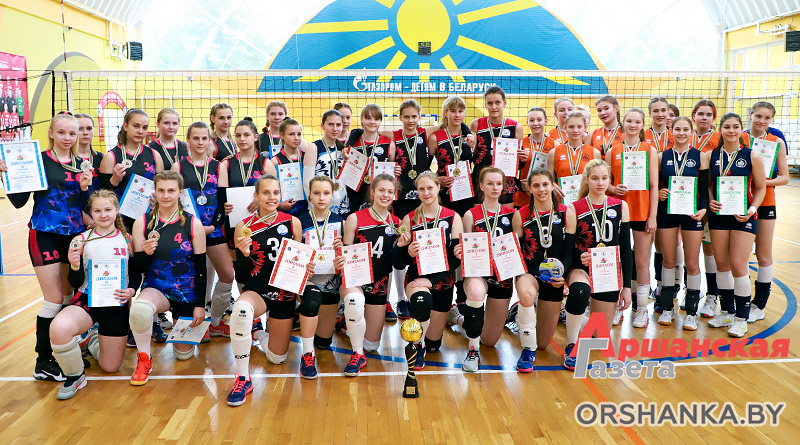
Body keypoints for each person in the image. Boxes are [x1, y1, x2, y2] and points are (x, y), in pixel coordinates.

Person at [2, 112, 92, 381]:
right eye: (61, 132)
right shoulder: (37, 160)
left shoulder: (83, 164)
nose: (67, 138)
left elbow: (87, 207)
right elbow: (19, 201)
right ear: (51, 133)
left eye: (72, 133)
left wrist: (86, 188)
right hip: (44, 234)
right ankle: (43, 360)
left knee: (68, 296)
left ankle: (63, 353)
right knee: (53, 299)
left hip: (74, 237)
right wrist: (6, 176)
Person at [226, 175, 320, 405]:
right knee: (241, 311)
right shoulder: (244, 226)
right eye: (266, 193)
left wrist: (307, 268)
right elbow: (241, 276)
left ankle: (260, 334)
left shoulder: (293, 222)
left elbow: (299, 259)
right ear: (256, 196)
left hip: (284, 293)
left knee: (277, 358)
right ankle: (243, 378)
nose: (271, 197)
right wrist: (244, 255)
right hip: (257, 290)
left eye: (276, 193)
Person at [51, 190, 137, 399]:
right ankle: (75, 376)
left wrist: (132, 289)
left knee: (110, 367)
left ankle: (91, 341)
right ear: (91, 212)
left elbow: (136, 273)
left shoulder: (128, 240)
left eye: (108, 209)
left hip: (116, 304)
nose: (103, 215)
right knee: (59, 328)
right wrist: (74, 266)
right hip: (87, 300)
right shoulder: (80, 241)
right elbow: (75, 282)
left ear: (116, 210)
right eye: (97, 211)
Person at [128, 171, 207, 385]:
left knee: (183, 355)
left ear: (180, 193)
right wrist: (145, 254)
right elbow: (138, 268)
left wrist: (200, 305)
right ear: (154, 192)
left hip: (187, 292)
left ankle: (187, 326)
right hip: (157, 288)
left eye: (171, 190)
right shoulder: (143, 222)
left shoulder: (193, 223)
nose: (165, 195)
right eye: (161, 190)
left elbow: (201, 268)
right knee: (139, 309)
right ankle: (144, 359)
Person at [565, 159, 632, 370]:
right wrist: (581, 256)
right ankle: (571, 344)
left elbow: (626, 249)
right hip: (582, 268)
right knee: (580, 291)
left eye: (604, 178)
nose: (600, 183)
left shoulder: (621, 206)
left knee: (600, 335)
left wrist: (627, 287)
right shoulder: (574, 208)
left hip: (607, 272)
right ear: (586, 180)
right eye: (595, 178)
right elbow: (568, 249)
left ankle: (573, 315)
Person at [334, 174, 403, 376]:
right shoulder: (355, 218)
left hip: (379, 285)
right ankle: (357, 354)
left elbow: (398, 263)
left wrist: (403, 248)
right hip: (355, 280)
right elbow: (345, 252)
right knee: (354, 301)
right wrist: (339, 256)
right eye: (381, 190)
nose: (385, 195)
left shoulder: (397, 223)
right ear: (372, 192)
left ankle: (348, 322)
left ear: (395, 195)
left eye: (390, 191)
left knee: (371, 345)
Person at [454, 168, 520, 372]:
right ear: (481, 186)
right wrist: (460, 251)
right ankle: (472, 350)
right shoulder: (470, 215)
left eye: (498, 184)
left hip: (502, 277)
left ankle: (459, 318)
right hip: (478, 273)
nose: (494, 188)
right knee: (475, 292)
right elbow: (464, 247)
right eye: (490, 183)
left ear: (504, 187)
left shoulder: (513, 214)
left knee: (490, 340)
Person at [707, 113, 766, 337]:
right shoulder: (712, 155)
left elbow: (761, 187)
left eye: (735, 127)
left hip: (744, 215)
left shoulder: (752, 155)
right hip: (719, 215)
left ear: (741, 130)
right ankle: (726, 312)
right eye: (727, 127)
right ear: (720, 130)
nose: (731, 130)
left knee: (739, 265)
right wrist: (711, 199)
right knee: (722, 264)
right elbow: (709, 185)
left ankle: (741, 318)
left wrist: (752, 209)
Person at [172, 122, 233, 338]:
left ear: (209, 140)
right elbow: (174, 202)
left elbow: (222, 201)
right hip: (187, 230)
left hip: (213, 229)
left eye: (204, 138)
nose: (200, 142)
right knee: (189, 278)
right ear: (188, 140)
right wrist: (193, 228)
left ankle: (215, 321)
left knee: (227, 274)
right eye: (195, 138)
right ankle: (193, 325)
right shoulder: (178, 167)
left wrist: (212, 226)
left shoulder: (218, 166)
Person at [396, 172, 463, 369]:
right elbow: (398, 262)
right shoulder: (408, 219)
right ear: (417, 191)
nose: (426, 193)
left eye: (430, 188)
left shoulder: (453, 217)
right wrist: (406, 252)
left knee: (434, 345)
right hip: (417, 279)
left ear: (438, 188)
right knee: (422, 301)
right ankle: (417, 346)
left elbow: (455, 259)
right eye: (421, 189)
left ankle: (431, 337)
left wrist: (432, 281)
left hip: (444, 281)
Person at [515, 168, 575, 371]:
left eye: (545, 184)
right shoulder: (521, 215)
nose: (541, 189)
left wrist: (561, 275)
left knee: (543, 343)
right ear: (529, 189)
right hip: (529, 272)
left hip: (554, 277)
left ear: (553, 186)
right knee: (526, 294)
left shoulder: (567, 213)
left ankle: (523, 322)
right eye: (536, 185)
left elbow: (568, 252)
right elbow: (517, 253)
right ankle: (527, 349)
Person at [606, 108, 658, 327]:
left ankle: (641, 309)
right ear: (623, 123)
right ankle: (618, 306)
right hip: (619, 213)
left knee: (641, 261)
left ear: (642, 125)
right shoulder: (613, 151)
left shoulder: (649, 150)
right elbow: (605, 183)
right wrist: (612, 188)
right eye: (629, 121)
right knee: (619, 261)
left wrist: (652, 216)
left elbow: (654, 186)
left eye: (637, 122)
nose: (633, 125)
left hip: (642, 212)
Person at [656, 117, 709, 330]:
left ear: (692, 132)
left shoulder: (700, 156)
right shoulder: (662, 156)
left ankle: (692, 313)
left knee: (692, 263)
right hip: (667, 212)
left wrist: (703, 209)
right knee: (668, 261)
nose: (681, 133)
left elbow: (704, 189)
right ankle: (667, 308)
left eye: (685, 129)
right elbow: (655, 185)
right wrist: (659, 193)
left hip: (691, 214)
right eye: (677, 129)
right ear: (671, 131)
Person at [384, 99, 433, 321]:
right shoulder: (394, 136)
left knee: (422, 246)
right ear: (400, 117)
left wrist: (465, 130)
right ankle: (401, 298)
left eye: (414, 116)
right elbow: (370, 129)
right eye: (406, 116)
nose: (411, 120)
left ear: (419, 117)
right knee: (400, 244)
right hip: (400, 202)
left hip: (421, 200)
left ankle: (421, 292)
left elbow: (445, 124)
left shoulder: (426, 134)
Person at [744, 102, 789, 323]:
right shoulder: (739, 138)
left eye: (767, 118)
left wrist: (764, 182)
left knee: (763, 254)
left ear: (771, 120)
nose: (762, 121)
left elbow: (785, 177)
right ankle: (740, 301)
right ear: (751, 115)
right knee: (740, 256)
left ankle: (759, 304)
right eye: (758, 116)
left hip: (765, 202)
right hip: (740, 201)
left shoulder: (776, 142)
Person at [99, 108, 164, 232]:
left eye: (144, 128)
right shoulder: (111, 157)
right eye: (136, 126)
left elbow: (162, 188)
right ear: (125, 126)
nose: (140, 131)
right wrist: (114, 180)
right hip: (120, 221)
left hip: (149, 218)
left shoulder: (154, 155)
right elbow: (100, 196)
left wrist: (158, 199)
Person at [300, 177, 345, 351]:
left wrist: (342, 251)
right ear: (309, 195)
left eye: (326, 193)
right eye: (316, 193)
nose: (321, 197)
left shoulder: (341, 222)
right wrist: (303, 266)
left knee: (323, 343)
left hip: (330, 285)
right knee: (311, 302)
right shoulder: (299, 222)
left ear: (332, 195)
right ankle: (306, 352)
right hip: (307, 283)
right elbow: (292, 258)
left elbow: (349, 258)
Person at [691, 99, 722, 318]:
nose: (704, 118)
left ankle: (713, 295)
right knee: (690, 250)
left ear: (713, 118)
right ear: (694, 116)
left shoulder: (720, 138)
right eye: (700, 114)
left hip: (712, 202)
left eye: (708, 114)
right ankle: (691, 291)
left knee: (710, 250)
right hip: (686, 201)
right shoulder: (685, 135)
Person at [469, 86, 525, 204]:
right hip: (481, 181)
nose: (494, 107)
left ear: (504, 103)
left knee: (506, 215)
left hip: (505, 182)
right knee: (481, 214)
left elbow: (518, 164)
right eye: (490, 103)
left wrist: (523, 159)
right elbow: (471, 155)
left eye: (497, 102)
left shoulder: (516, 127)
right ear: (485, 105)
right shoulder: (476, 124)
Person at [344, 104, 396, 213]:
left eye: (376, 119)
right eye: (368, 118)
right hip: (356, 194)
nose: (372, 122)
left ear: (380, 121)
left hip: (380, 195)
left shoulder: (389, 144)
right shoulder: (351, 143)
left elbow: (391, 169)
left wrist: (396, 170)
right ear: (361, 119)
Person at [303, 109, 348, 218]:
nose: (335, 129)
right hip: (320, 209)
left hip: (343, 208)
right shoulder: (314, 147)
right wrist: (315, 207)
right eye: (330, 124)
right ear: (322, 126)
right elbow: (307, 183)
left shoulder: (343, 148)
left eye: (338, 125)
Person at [547, 111, 601, 202]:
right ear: (565, 128)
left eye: (579, 127)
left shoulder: (594, 152)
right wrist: (552, 185)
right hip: (562, 200)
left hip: (587, 200)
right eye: (571, 127)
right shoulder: (554, 152)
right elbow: (548, 180)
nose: (575, 130)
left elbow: (598, 179)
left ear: (585, 128)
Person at [515, 107, 556, 209]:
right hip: (524, 196)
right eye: (532, 120)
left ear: (546, 121)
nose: (535, 123)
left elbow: (557, 172)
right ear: (527, 123)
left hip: (545, 195)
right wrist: (521, 185)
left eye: (539, 120)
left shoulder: (555, 145)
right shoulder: (520, 143)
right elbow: (512, 171)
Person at [272, 117, 308, 216]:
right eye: (291, 134)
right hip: (286, 210)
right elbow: (269, 189)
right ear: (282, 135)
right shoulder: (275, 161)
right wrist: (279, 204)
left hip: (307, 208)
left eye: (299, 134)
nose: (296, 138)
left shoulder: (307, 157)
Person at [75, 113, 103, 192]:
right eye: (80, 129)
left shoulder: (102, 158)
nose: (85, 132)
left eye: (89, 128)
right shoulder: (65, 158)